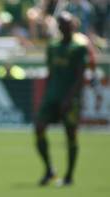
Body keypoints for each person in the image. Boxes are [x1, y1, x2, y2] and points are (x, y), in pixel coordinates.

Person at [34, 11, 88, 186]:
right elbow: (50, 73)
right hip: (52, 96)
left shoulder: (79, 48)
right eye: (61, 25)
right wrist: (46, 95)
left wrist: (69, 98)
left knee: (71, 134)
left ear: (73, 25)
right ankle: (49, 169)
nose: (64, 27)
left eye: (67, 24)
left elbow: (80, 77)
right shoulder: (53, 47)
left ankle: (69, 175)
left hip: (69, 99)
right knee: (39, 127)